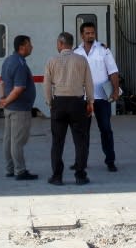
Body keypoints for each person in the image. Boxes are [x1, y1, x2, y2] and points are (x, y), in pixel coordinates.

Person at [44, 32, 95, 185]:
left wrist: (50, 102)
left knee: (57, 142)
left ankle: (57, 176)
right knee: (80, 141)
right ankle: (80, 175)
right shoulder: (81, 60)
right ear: (71, 44)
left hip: (59, 102)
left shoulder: (51, 61)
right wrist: (90, 102)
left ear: (60, 43)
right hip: (77, 103)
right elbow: (89, 83)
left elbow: (46, 85)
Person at [74, 22, 120, 172]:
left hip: (101, 98)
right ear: (82, 35)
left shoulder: (103, 50)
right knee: (82, 132)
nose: (90, 36)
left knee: (106, 129)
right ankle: (81, 162)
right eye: (87, 33)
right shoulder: (76, 52)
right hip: (83, 98)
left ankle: (110, 161)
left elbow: (113, 71)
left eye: (92, 33)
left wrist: (114, 91)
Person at [0, 35, 38, 180]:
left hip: (9, 108)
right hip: (19, 109)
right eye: (29, 44)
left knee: (8, 139)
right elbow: (19, 88)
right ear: (22, 46)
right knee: (18, 141)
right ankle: (20, 171)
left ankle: (10, 168)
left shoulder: (8, 60)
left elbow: (1, 82)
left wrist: (3, 99)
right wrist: (6, 100)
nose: (31, 47)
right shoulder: (20, 64)